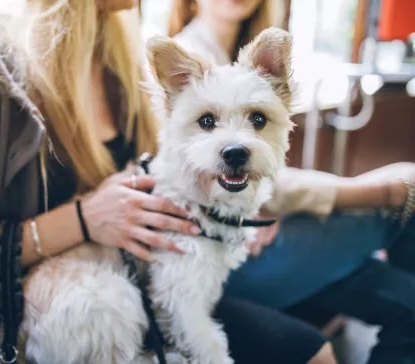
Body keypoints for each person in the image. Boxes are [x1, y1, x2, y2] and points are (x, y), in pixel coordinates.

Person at [0, 0, 336, 363]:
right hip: (24, 322)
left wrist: (236, 204)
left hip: (147, 283)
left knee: (314, 350)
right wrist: (81, 219)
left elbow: (180, 172)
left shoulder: (126, 69)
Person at [171, 0, 415, 363]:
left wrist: (265, 201)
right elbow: (209, 174)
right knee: (403, 199)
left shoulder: (251, 53)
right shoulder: (183, 64)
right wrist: (382, 190)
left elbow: (265, 177)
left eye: (256, 118)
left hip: (260, 230)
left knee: (410, 302)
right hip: (220, 257)